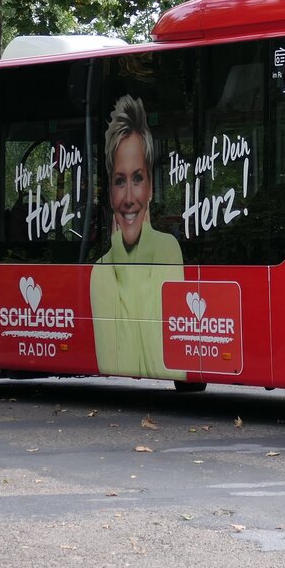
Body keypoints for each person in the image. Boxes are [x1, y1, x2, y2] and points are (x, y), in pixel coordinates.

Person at [89, 94, 187, 378]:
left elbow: (166, 365)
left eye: (137, 178)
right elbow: (117, 365)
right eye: (120, 181)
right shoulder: (101, 272)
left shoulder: (169, 250)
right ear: (110, 193)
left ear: (151, 187)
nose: (129, 197)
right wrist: (118, 254)